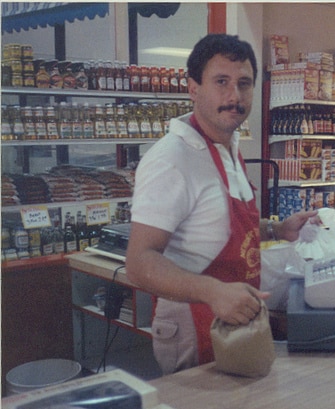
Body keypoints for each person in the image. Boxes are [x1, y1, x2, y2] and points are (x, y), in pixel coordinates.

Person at [125, 34, 317, 375]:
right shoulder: (172, 158)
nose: (234, 96)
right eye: (221, 82)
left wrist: (276, 228)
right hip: (193, 322)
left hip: (236, 317)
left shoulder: (228, 146)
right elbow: (139, 263)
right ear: (194, 88)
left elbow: (218, 225)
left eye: (244, 84)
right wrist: (213, 292)